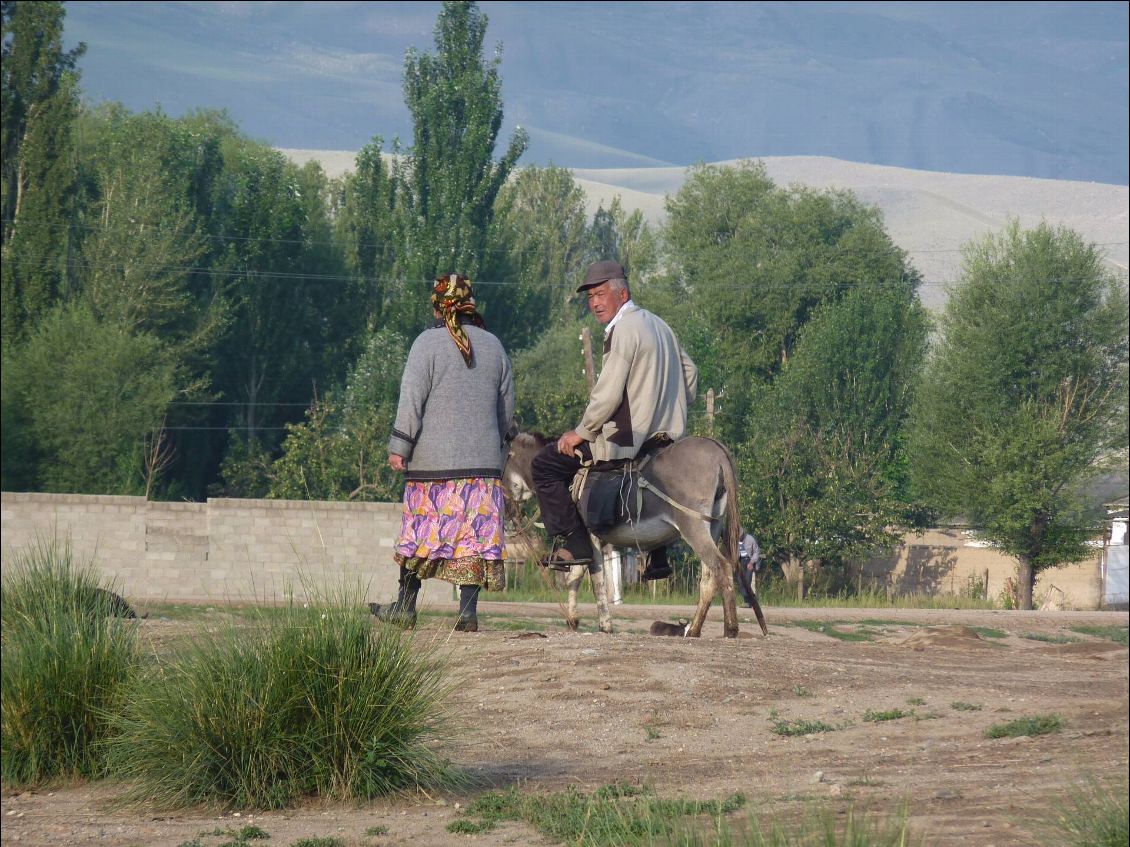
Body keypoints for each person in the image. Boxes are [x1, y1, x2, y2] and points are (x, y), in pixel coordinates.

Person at [532, 259, 698, 579]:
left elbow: (607, 395)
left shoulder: (622, 329)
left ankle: (575, 542)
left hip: (627, 438)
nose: (594, 303)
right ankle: (658, 553)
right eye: (590, 297)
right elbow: (690, 373)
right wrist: (672, 405)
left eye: (600, 294)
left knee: (545, 465)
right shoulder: (659, 324)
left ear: (622, 294)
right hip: (665, 436)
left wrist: (580, 432)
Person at [369, 273, 515, 632]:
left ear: (438, 308)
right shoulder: (495, 347)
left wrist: (399, 446)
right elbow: (507, 412)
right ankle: (467, 613)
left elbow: (411, 400)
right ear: (470, 305)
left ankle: (405, 607)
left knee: (421, 534)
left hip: (433, 468)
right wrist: (501, 452)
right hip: (481, 469)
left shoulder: (426, 344)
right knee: (473, 537)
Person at [736, 528, 761, 608]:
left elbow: (756, 552)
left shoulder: (750, 539)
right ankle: (749, 600)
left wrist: (751, 562)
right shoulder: (735, 541)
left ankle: (748, 601)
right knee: (740, 581)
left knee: (747, 581)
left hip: (749, 561)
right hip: (740, 561)